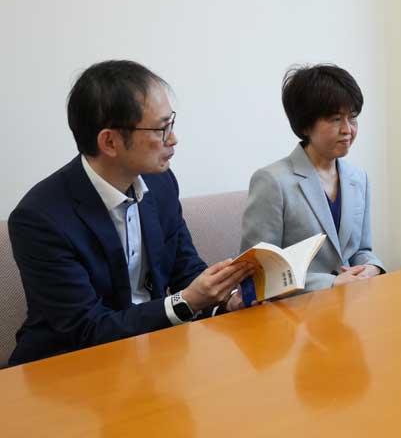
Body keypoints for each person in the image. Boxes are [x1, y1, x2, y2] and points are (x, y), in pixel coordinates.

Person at [9, 60, 253, 365]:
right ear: (109, 141)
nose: (173, 139)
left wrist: (224, 302)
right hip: (68, 367)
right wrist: (185, 302)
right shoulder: (40, 218)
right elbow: (86, 329)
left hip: (152, 349)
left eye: (171, 123)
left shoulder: (160, 182)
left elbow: (185, 269)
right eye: (161, 129)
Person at [241, 64, 383, 292]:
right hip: (297, 315)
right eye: (336, 119)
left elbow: (362, 251)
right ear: (306, 125)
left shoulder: (359, 178)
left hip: (351, 305)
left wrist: (372, 267)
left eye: (352, 118)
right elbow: (258, 273)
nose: (347, 129)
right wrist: (331, 283)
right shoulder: (272, 181)